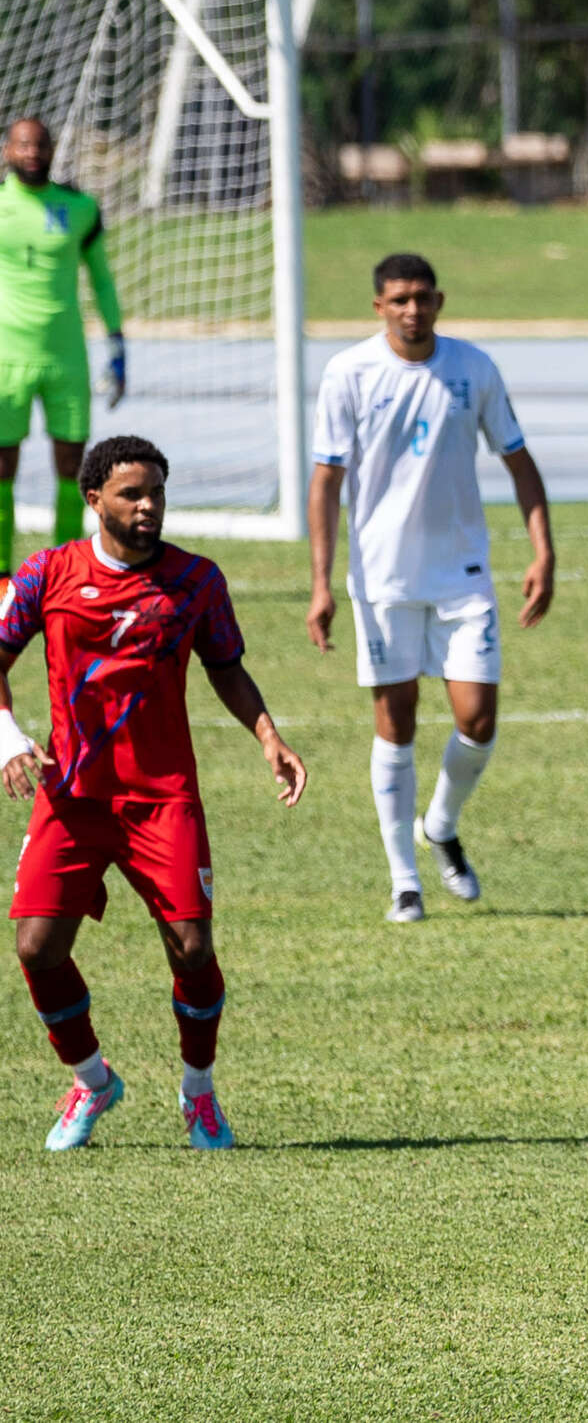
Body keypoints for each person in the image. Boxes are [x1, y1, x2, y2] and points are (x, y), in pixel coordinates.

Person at [4, 436, 307, 1150]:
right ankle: (91, 1079)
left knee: (192, 947)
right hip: (72, 794)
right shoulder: (49, 573)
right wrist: (9, 737)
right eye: (132, 493)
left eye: (157, 494)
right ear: (94, 499)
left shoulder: (195, 580)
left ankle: (198, 1092)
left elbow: (226, 667)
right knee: (36, 945)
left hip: (162, 797)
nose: (148, 507)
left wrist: (268, 734)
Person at [307, 253, 555, 924]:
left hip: (463, 574)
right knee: (398, 722)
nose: (412, 309)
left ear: (439, 301)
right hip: (382, 577)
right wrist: (322, 584)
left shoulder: (473, 368)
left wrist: (543, 550)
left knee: (478, 719)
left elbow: (519, 461)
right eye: (398, 299)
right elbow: (326, 481)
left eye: (422, 297)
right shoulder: (349, 373)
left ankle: (439, 823)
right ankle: (404, 881)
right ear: (378, 307)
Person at [0, 117, 126, 568]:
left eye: (40, 145)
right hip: (5, 359)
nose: (32, 152)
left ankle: (64, 566)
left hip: (66, 358)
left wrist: (117, 343)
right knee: (1, 469)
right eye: (22, 145)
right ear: (7, 151)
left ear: (52, 150)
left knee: (74, 467)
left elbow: (103, 281)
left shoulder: (80, 208)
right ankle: (0, 573)